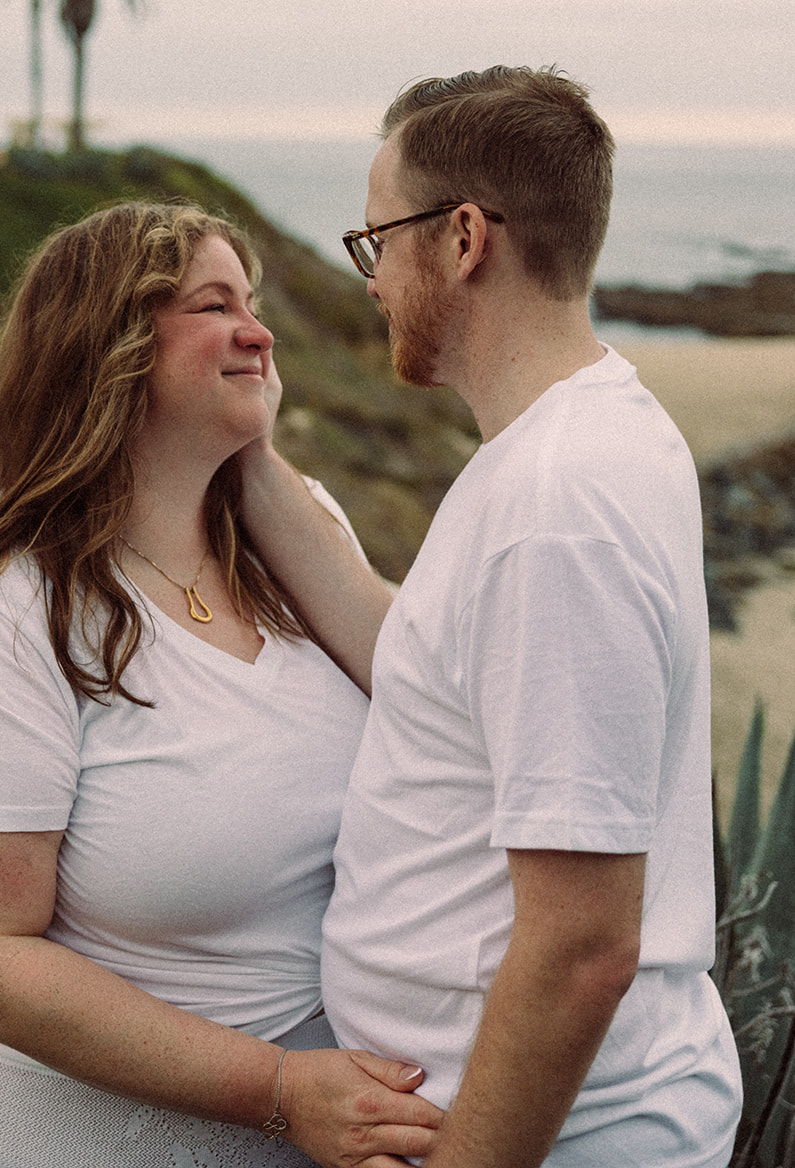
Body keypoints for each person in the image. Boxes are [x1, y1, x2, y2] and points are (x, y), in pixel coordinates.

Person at [0, 200, 443, 1168]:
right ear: (105, 345)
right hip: (85, 1132)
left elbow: (443, 711)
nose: (260, 330)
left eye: (253, 301)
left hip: (333, 1120)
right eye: (214, 305)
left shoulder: (294, 534)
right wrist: (279, 1087)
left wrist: (253, 456)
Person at [321, 67, 743, 1167]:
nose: (367, 280)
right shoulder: (588, 433)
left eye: (375, 241)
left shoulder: (552, 506)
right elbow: (429, 673)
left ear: (462, 239)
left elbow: (579, 944)